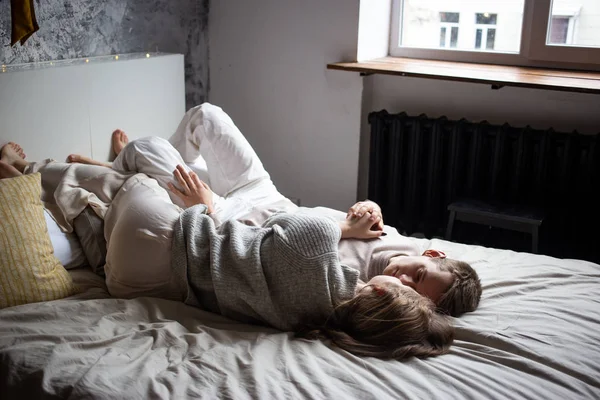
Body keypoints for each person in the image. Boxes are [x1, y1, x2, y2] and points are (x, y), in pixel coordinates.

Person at [1, 138, 455, 360]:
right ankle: (65, 189)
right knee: (104, 217)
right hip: (139, 282)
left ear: (377, 296)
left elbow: (278, 223)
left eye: (405, 291)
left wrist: (344, 229)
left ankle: (23, 174)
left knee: (126, 183)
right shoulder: (310, 322)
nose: (398, 280)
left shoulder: (319, 252)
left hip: (163, 237)